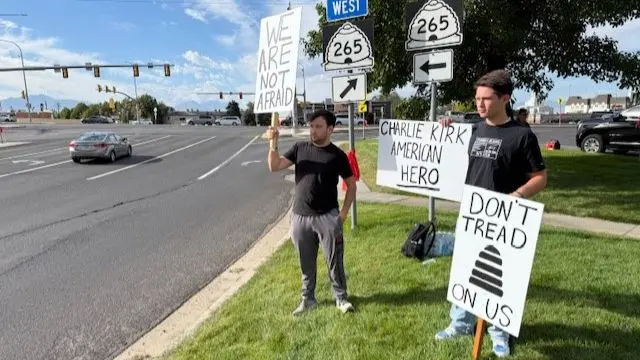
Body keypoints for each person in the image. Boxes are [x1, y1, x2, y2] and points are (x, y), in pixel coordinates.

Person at [435, 70, 547, 357]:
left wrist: (518, 195)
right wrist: (445, 127)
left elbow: (540, 177)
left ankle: (499, 333)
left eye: (486, 99)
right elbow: (449, 154)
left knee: (499, 277)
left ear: (505, 98)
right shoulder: (472, 129)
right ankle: (460, 323)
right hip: (471, 214)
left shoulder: (522, 136)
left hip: (503, 219)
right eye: (476, 99)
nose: (479, 104)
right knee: (464, 270)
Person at [264, 109, 357, 316]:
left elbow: (351, 185)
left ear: (330, 129)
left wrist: (342, 215)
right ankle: (308, 299)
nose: (313, 131)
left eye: (318, 127)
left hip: (328, 217)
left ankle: (341, 298)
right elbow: (274, 166)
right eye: (311, 126)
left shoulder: (337, 156)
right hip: (300, 217)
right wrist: (274, 143)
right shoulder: (300, 148)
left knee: (334, 261)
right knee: (305, 262)